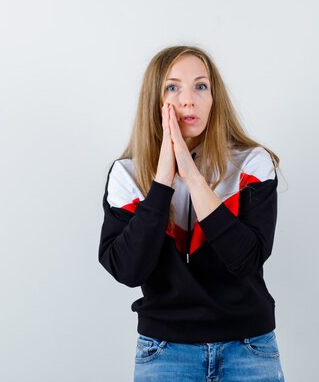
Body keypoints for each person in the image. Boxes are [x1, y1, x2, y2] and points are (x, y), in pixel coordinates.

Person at [98, 45, 285, 382]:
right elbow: (128, 269)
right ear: (154, 101)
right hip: (165, 351)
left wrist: (194, 177)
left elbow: (246, 259)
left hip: (248, 347)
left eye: (200, 86)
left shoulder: (252, 164)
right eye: (173, 87)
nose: (188, 99)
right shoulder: (126, 175)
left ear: (215, 99)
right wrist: (162, 182)